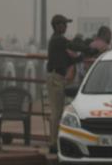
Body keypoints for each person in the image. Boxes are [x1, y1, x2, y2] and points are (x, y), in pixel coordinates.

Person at [45, 14, 81, 154]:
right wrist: (88, 50)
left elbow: (68, 60)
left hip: (57, 77)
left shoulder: (57, 41)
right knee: (56, 112)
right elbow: (73, 46)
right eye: (64, 24)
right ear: (57, 26)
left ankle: (55, 142)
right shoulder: (58, 40)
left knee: (58, 111)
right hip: (55, 77)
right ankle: (53, 144)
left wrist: (82, 56)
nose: (66, 27)